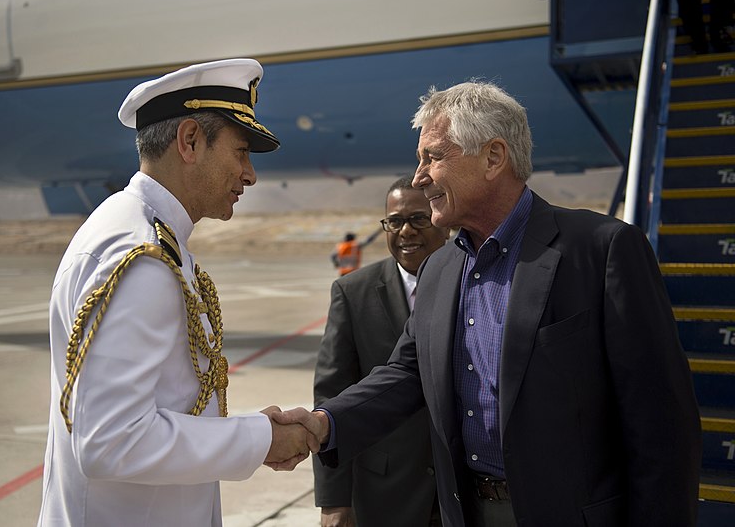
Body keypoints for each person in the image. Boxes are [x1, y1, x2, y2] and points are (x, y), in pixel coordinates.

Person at [276, 80, 702, 526]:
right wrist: (323, 424)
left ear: (493, 158)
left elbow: (662, 425)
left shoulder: (602, 250)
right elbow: (405, 373)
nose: (420, 176)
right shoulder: (440, 268)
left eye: (433, 157)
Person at [37, 59, 316, 527]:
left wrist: (244, 430)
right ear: (189, 141)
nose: (250, 175)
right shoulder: (140, 255)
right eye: (241, 152)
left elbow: (160, 409)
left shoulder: (148, 235)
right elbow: (111, 442)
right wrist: (258, 440)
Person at [314, 175, 449, 527]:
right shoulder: (352, 292)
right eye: (395, 221)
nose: (406, 231)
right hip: (387, 491)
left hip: (461, 488)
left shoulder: (473, 279)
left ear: (442, 219)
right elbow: (332, 393)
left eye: (418, 219)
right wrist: (334, 501)